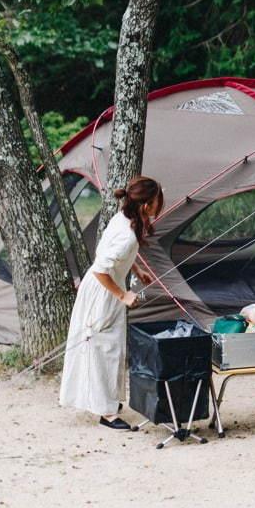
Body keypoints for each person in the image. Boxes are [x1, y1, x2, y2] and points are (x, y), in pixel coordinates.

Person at [60, 176, 164, 429]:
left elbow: (119, 253)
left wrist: (137, 270)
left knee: (113, 348)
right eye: (157, 200)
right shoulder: (126, 232)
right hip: (103, 293)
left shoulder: (126, 220)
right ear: (145, 205)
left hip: (108, 288)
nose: (160, 204)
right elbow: (100, 269)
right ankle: (106, 413)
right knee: (102, 349)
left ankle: (107, 400)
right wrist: (122, 295)